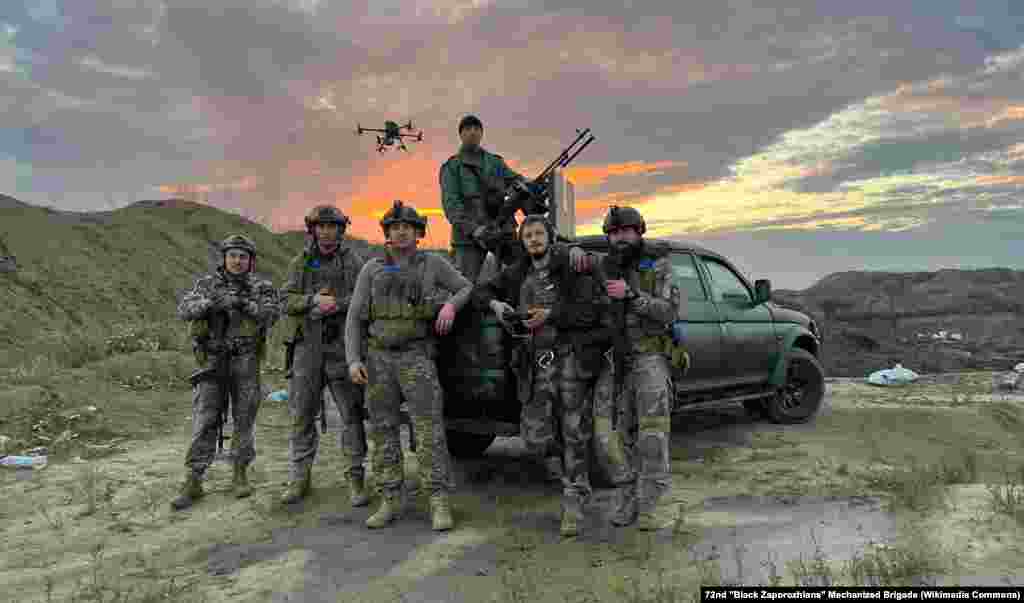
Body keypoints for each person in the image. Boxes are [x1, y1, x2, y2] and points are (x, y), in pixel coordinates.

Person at [472, 214, 610, 537]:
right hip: (536, 365)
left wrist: (551, 315)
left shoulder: (570, 267)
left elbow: (590, 311)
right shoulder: (518, 272)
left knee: (574, 431)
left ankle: (574, 498)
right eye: (527, 235)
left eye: (538, 233)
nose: (533, 239)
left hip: (570, 360)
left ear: (550, 237)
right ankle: (566, 474)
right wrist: (495, 305)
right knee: (535, 436)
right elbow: (480, 292)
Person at [346, 200, 473, 531]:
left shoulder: (432, 263)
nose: (401, 232)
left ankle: (438, 499)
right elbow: (354, 318)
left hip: (416, 356)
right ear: (387, 233)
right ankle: (390, 498)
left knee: (429, 429)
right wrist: (353, 359)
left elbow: (465, 287)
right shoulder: (371, 269)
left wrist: (450, 308)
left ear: (418, 233)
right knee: (383, 429)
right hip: (378, 359)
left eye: (407, 227)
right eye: (395, 227)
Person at [173, 234, 281, 510]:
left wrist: (245, 305)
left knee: (245, 417)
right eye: (232, 255)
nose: (237, 261)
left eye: (243, 256)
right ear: (224, 258)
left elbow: (271, 315)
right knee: (206, 417)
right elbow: (185, 309)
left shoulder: (261, 286)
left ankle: (240, 473)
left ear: (250, 261)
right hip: (212, 359)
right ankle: (194, 478)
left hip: (246, 359)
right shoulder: (207, 284)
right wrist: (211, 304)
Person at [591, 206, 681, 531]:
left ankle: (651, 505)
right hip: (615, 361)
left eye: (626, 231)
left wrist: (632, 297)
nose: (619, 237)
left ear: (638, 231)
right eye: (614, 233)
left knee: (653, 435)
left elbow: (669, 312)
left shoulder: (658, 265)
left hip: (649, 358)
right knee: (610, 436)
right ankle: (627, 494)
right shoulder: (604, 267)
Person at [279, 205, 370, 507]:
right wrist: (311, 301)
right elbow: (285, 298)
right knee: (302, 415)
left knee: (352, 416)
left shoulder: (353, 260)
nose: (327, 231)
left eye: (333, 226)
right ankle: (299, 477)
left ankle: (355, 477)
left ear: (341, 230)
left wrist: (337, 304)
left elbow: (365, 296)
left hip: (343, 348)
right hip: (308, 347)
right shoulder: (300, 262)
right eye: (321, 226)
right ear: (313, 229)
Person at [439, 114, 531, 283]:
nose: (473, 132)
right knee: (463, 286)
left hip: (502, 229)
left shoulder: (495, 163)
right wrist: (475, 230)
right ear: (461, 134)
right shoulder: (452, 167)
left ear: (481, 133)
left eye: (476, 128)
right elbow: (451, 206)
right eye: (468, 129)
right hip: (469, 237)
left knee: (525, 273)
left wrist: (527, 183)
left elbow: (514, 180)